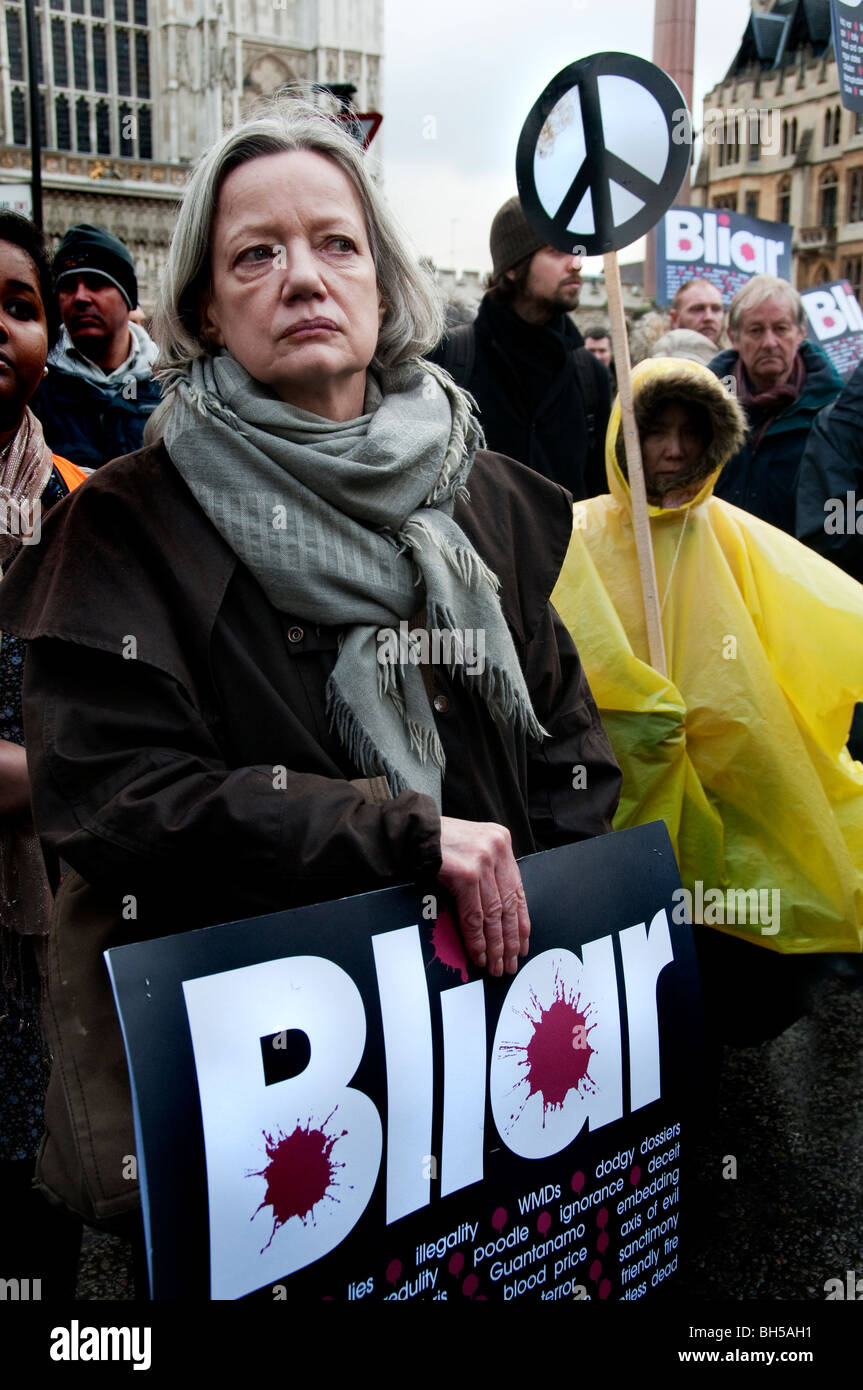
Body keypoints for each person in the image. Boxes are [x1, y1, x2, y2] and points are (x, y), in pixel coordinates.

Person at [0, 101, 621, 1233]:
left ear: (382, 281)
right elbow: (114, 799)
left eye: (335, 244)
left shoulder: (482, 493)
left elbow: (564, 740)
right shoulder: (131, 524)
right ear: (201, 304)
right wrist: (399, 835)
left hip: (478, 1040)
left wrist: (552, 920)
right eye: (256, 253)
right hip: (263, 1099)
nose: (302, 278)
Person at [551, 357, 863, 1042]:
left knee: (723, 956)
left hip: (724, 781)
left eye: (690, 433)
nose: (671, 449)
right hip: (614, 795)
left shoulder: (730, 535)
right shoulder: (575, 535)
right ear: (620, 437)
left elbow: (818, 617)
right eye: (653, 430)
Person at [0, 211, 86, 1295]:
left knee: (32, 1222)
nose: (2, 326)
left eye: (21, 307)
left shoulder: (79, 506)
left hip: (39, 940)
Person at [428, 196, 611, 501]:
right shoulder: (450, 359)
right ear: (513, 267)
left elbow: (600, 499)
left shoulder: (591, 376)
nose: (576, 262)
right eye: (556, 250)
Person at [708, 274, 843, 533]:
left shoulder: (834, 414)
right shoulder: (703, 407)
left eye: (780, 328)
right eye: (756, 330)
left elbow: (844, 518)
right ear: (733, 337)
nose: (769, 343)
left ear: (801, 332)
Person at [30, 224, 161, 469]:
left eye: (95, 283)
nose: (80, 297)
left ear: (128, 298)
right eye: (68, 286)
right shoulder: (35, 383)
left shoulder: (170, 386)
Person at [668, 277, 725, 347]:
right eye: (698, 309)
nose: (709, 317)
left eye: (716, 309)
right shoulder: (660, 357)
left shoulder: (738, 356)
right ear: (675, 319)